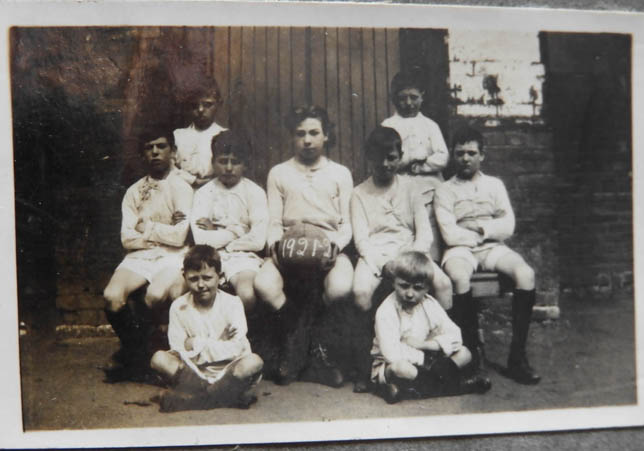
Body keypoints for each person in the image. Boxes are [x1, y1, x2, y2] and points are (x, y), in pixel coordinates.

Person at [253, 105, 354, 386]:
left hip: (328, 247)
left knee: (341, 287)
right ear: (292, 137)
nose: (307, 140)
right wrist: (275, 246)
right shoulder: (279, 173)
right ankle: (296, 344)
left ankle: (310, 349)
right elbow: (274, 221)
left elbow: (347, 224)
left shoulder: (340, 173)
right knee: (264, 285)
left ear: (326, 136)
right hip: (289, 248)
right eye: (300, 134)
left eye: (314, 133)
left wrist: (334, 245)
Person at [350, 126, 453, 393]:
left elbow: (424, 233)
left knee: (442, 284)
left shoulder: (411, 187)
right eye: (377, 157)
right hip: (377, 254)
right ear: (368, 158)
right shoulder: (359, 193)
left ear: (400, 157)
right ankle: (365, 368)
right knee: (360, 291)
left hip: (411, 252)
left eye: (391, 157)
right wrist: (383, 265)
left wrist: (412, 259)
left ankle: (447, 356)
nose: (384, 164)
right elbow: (362, 239)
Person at [434, 126, 540, 385]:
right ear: (452, 155)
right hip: (460, 250)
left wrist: (481, 228)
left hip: (491, 247)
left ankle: (517, 358)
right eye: (460, 153)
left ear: (483, 155)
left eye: (472, 153)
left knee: (526, 274)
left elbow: (509, 225)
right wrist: (486, 233)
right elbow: (449, 234)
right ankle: (472, 357)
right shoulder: (444, 190)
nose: (465, 159)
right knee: (459, 277)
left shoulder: (494, 185)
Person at [103, 124, 193, 381]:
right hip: (141, 255)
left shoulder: (181, 187)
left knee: (156, 293)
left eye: (161, 146)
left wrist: (148, 227)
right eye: (149, 148)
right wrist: (161, 232)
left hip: (173, 257)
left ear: (173, 151)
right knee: (112, 296)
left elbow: (179, 236)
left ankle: (147, 356)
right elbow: (127, 238)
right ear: (143, 154)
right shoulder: (134, 191)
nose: (155, 152)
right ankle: (137, 354)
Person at [150, 245, 263, 412]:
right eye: (193, 279)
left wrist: (194, 343)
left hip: (228, 369)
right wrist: (219, 342)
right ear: (184, 277)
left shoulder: (233, 304)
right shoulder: (178, 306)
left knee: (253, 362)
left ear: (220, 277)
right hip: (193, 373)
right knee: (159, 359)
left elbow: (236, 349)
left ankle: (193, 400)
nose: (201, 285)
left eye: (207, 278)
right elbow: (179, 349)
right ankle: (225, 397)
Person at [371, 251, 491, 404]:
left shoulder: (429, 304)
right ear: (393, 282)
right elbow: (391, 354)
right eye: (404, 286)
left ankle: (413, 389)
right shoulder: (386, 310)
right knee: (402, 368)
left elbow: (455, 335)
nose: (409, 294)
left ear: (427, 288)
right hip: (397, 362)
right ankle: (457, 387)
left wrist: (426, 345)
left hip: (429, 360)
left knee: (465, 353)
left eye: (417, 288)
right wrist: (425, 359)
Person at [190, 130, 268, 311]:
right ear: (213, 163)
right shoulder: (204, 193)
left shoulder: (254, 192)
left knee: (246, 293)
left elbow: (257, 240)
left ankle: (243, 336)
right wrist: (240, 231)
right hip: (208, 257)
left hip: (243, 258)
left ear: (245, 165)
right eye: (223, 161)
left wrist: (220, 236)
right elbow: (201, 240)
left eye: (236, 162)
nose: (229, 168)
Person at [381, 69, 449, 263]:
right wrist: (412, 158)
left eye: (414, 97)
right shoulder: (388, 125)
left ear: (422, 97)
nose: (409, 103)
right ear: (394, 98)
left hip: (429, 190)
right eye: (403, 98)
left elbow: (442, 157)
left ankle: (433, 270)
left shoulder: (430, 125)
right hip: (402, 191)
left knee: (432, 239)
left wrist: (420, 167)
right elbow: (387, 159)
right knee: (406, 234)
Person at [173, 77, 227, 188]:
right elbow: (170, 167)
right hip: (182, 190)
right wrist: (192, 180)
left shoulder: (225, 135)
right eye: (194, 105)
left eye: (207, 105)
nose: (201, 110)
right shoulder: (178, 136)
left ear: (219, 104)